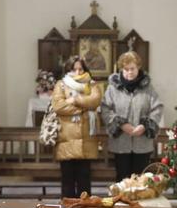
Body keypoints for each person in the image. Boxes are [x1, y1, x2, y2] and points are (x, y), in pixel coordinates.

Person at [100, 51, 163, 181]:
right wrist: (120, 124)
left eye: (132, 68)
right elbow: (105, 109)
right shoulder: (113, 89)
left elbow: (157, 108)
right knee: (122, 180)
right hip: (120, 142)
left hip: (142, 141)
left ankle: (139, 202)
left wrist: (145, 125)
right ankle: (122, 202)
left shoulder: (148, 88)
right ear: (121, 69)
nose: (129, 72)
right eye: (126, 69)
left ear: (138, 68)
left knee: (141, 181)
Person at [51, 56, 103, 198]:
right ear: (69, 70)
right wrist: (83, 108)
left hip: (86, 141)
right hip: (66, 140)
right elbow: (58, 106)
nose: (78, 71)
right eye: (74, 69)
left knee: (84, 181)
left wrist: (75, 100)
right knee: (67, 181)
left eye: (81, 68)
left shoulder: (92, 84)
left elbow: (95, 101)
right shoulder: (61, 85)